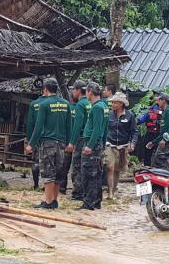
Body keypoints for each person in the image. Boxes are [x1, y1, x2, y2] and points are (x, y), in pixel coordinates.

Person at [25, 78, 71, 209]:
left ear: (45, 89)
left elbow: (38, 127)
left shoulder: (44, 105)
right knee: (58, 172)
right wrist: (69, 142)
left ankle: (48, 201)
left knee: (48, 172)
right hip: (62, 143)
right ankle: (54, 200)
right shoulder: (66, 104)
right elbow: (69, 125)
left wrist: (31, 144)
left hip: (48, 143)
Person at [103, 92, 138, 199]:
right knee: (109, 166)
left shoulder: (129, 116)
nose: (113, 104)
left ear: (121, 104)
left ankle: (113, 190)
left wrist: (132, 143)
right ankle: (110, 192)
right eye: (112, 102)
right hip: (110, 144)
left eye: (115, 102)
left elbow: (134, 131)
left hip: (123, 146)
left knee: (117, 169)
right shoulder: (109, 115)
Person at [78, 82, 107, 210]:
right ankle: (96, 201)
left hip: (92, 143)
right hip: (97, 143)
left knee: (88, 174)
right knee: (96, 173)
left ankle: (89, 202)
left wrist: (89, 145)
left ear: (90, 91)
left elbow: (96, 129)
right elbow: (104, 128)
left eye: (86, 92)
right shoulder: (103, 106)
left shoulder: (97, 107)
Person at [146, 93, 169, 167]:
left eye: (159, 100)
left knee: (161, 163)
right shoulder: (165, 112)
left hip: (168, 143)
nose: (157, 102)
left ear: (164, 101)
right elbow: (163, 131)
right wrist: (153, 142)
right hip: (164, 141)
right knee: (157, 161)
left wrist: (164, 140)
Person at [25, 89, 47, 190]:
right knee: (49, 162)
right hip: (50, 138)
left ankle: (36, 184)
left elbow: (29, 124)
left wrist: (30, 141)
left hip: (36, 138)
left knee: (35, 162)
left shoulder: (34, 104)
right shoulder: (56, 103)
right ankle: (47, 186)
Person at [137, 92, 162, 166]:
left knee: (160, 155)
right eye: (155, 96)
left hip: (160, 135)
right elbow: (141, 120)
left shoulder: (167, 110)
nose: (156, 98)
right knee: (147, 155)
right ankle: (147, 170)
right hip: (150, 134)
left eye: (158, 96)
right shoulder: (150, 110)